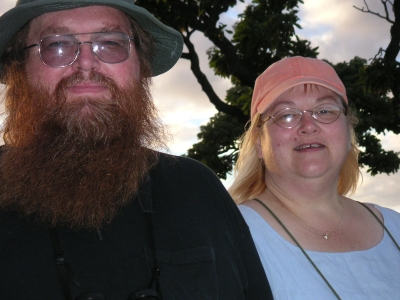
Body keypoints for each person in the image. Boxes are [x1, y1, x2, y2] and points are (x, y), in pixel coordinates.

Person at [0, 1, 273, 299]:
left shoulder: (198, 190)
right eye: (57, 45)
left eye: (111, 43)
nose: (87, 63)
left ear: (139, 65)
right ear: (19, 68)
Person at [228, 56, 400, 299]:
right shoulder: (230, 235)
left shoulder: (395, 228)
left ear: (348, 131)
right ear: (258, 142)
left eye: (325, 110)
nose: (308, 125)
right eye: (286, 114)